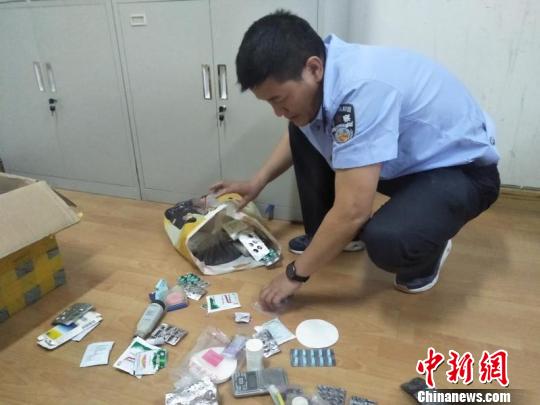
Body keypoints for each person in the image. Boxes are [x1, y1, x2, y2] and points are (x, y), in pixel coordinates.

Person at [210, 10, 500, 311]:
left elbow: (353, 211)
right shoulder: (323, 72)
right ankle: (336, 239)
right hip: (406, 162)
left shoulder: (361, 91)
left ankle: (429, 252)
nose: (276, 112)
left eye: (278, 99)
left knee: (389, 240)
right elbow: (301, 135)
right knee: (300, 122)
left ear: (313, 68)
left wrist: (294, 275)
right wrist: (257, 182)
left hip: (462, 171)